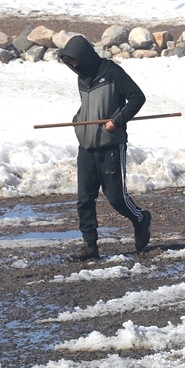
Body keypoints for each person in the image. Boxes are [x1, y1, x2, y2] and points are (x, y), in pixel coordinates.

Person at [59, 35, 151, 261]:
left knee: (116, 198)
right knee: (84, 199)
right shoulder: (82, 78)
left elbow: (137, 97)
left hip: (110, 146)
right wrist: (78, 119)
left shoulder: (112, 73)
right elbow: (88, 106)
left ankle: (140, 219)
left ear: (84, 56)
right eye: (69, 63)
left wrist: (117, 121)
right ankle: (90, 246)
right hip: (86, 148)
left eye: (75, 61)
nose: (73, 66)